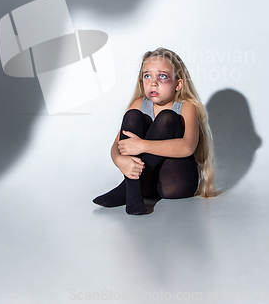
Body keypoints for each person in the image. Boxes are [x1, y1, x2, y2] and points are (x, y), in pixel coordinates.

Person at [93, 48, 217, 215]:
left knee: (168, 118)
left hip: (174, 183)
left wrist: (142, 145)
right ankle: (133, 189)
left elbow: (187, 147)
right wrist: (119, 160)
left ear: (178, 84)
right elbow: (117, 145)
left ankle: (126, 189)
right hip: (147, 186)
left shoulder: (187, 107)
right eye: (147, 76)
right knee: (132, 116)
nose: (153, 82)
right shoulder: (138, 104)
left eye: (162, 76)